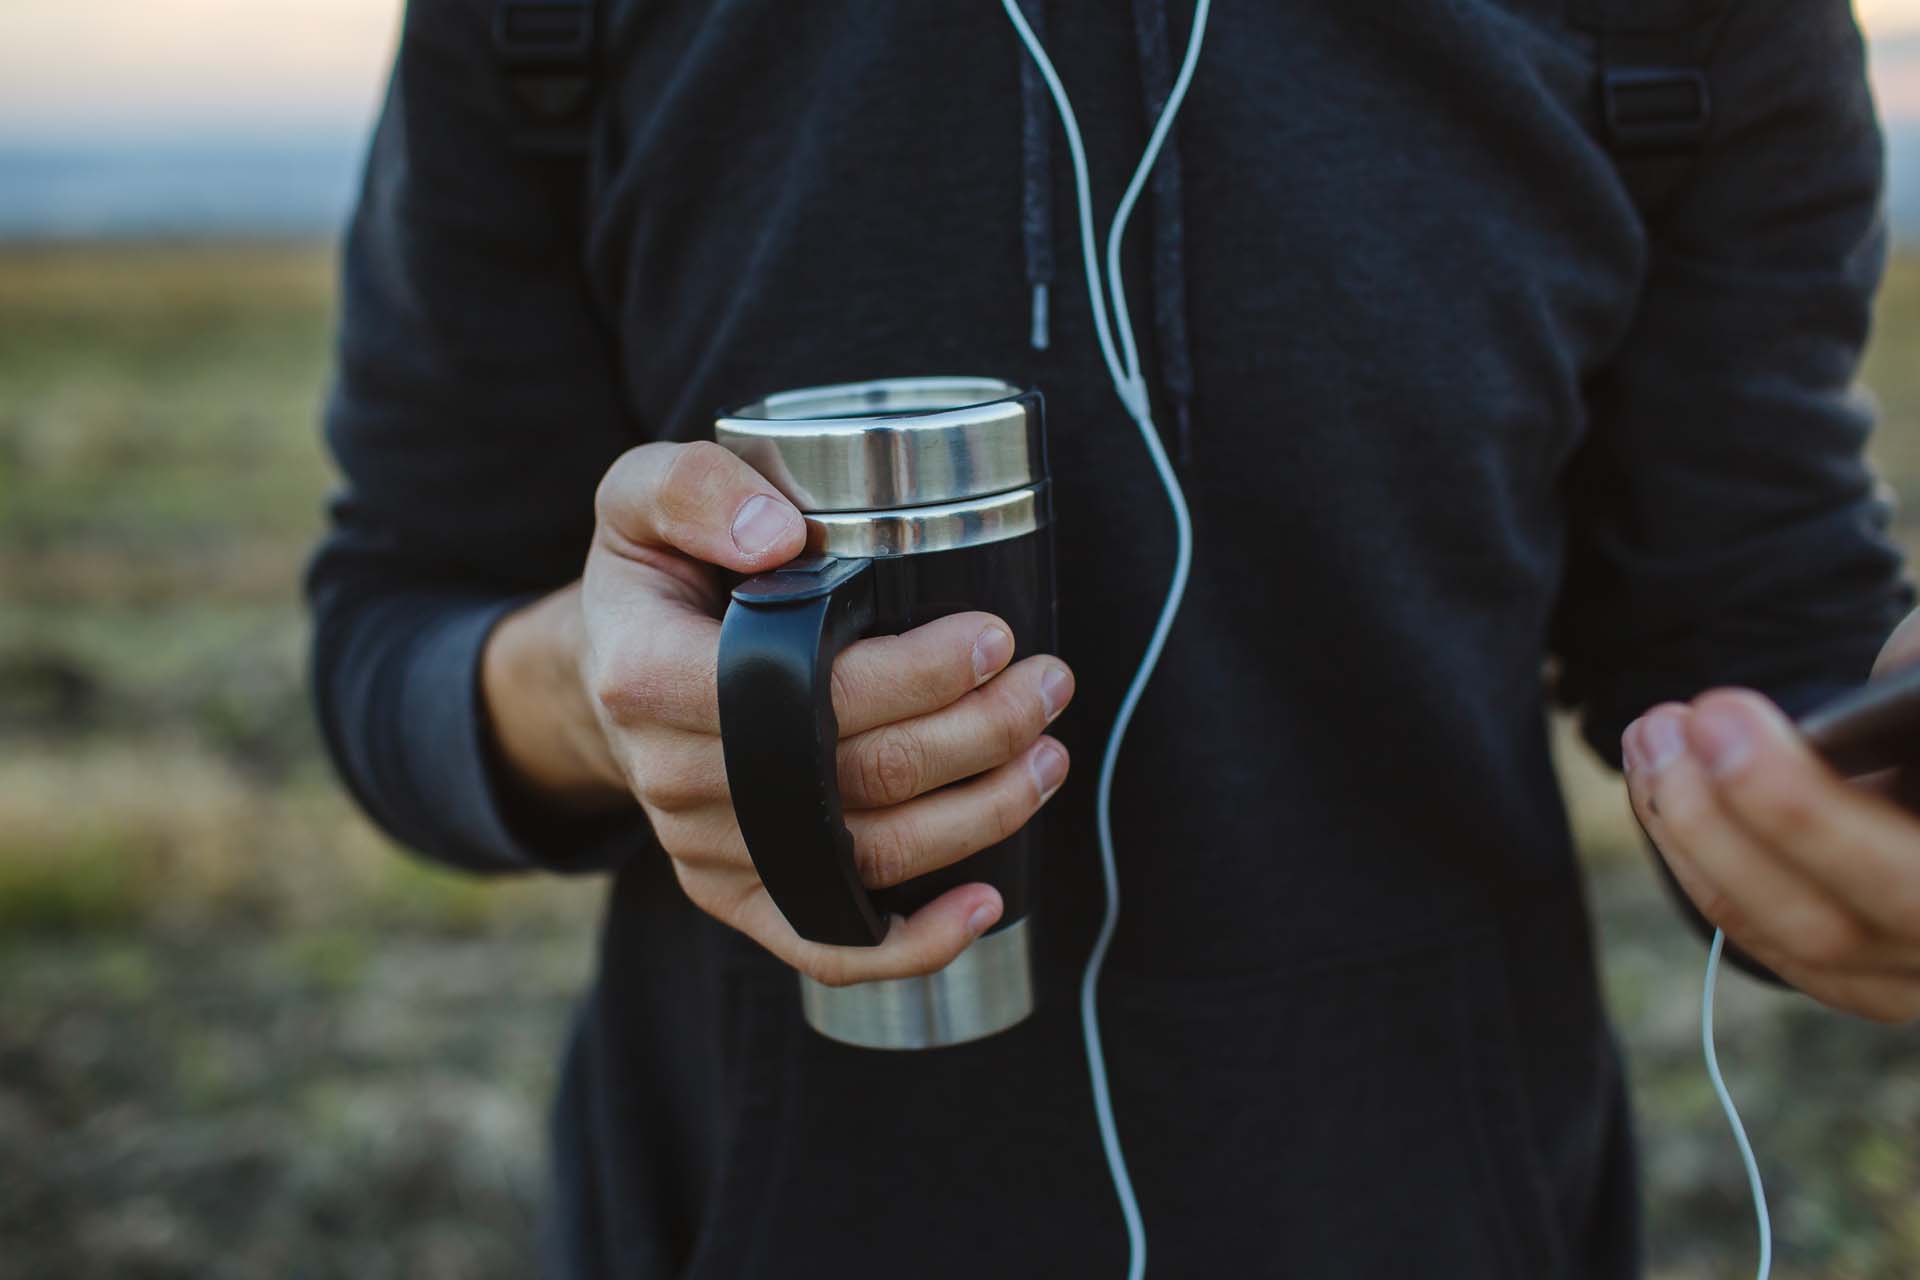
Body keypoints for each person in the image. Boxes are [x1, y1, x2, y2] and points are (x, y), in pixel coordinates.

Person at [307, 0, 1912, 1275]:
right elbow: (397, 626)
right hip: (756, 1210)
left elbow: (1760, 627)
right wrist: (597, 701)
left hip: (1433, 1214)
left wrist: (1872, 804)